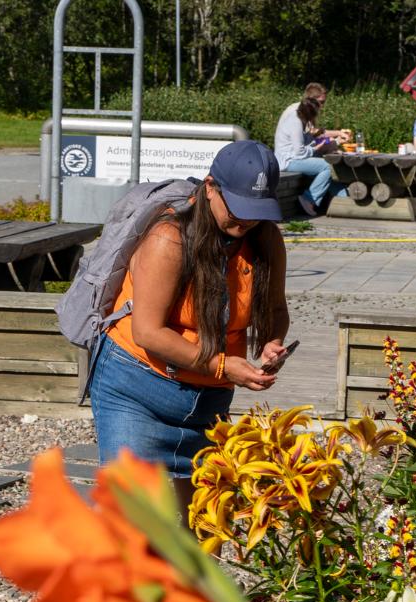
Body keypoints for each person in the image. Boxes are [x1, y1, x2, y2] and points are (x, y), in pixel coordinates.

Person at [88, 139, 291, 509]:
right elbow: (148, 332)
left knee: (207, 520)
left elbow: (276, 309)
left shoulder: (265, 240)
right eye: (238, 208)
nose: (245, 221)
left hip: (208, 398)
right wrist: (224, 366)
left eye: (256, 211)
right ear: (211, 187)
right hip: (136, 388)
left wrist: (272, 342)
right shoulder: (169, 238)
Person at [274, 83, 349, 216]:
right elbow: (300, 152)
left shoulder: (304, 111)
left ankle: (345, 200)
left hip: (297, 156)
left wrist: (337, 136)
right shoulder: (295, 117)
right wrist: (319, 147)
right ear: (311, 100)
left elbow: (315, 133)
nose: (323, 106)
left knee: (330, 161)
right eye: (321, 102)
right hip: (288, 160)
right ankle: (309, 199)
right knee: (327, 166)